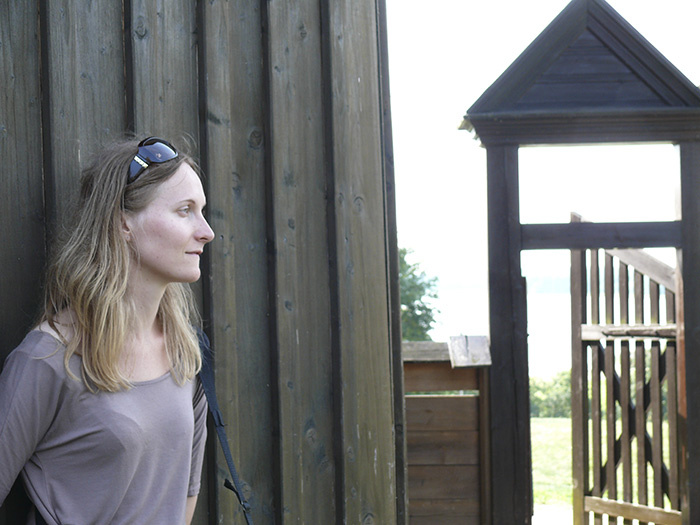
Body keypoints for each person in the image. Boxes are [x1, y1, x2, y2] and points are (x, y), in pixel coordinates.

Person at [0, 136, 216, 524]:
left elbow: (183, 499)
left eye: (202, 211)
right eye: (185, 211)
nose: (207, 231)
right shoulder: (47, 359)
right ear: (123, 223)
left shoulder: (185, 353)